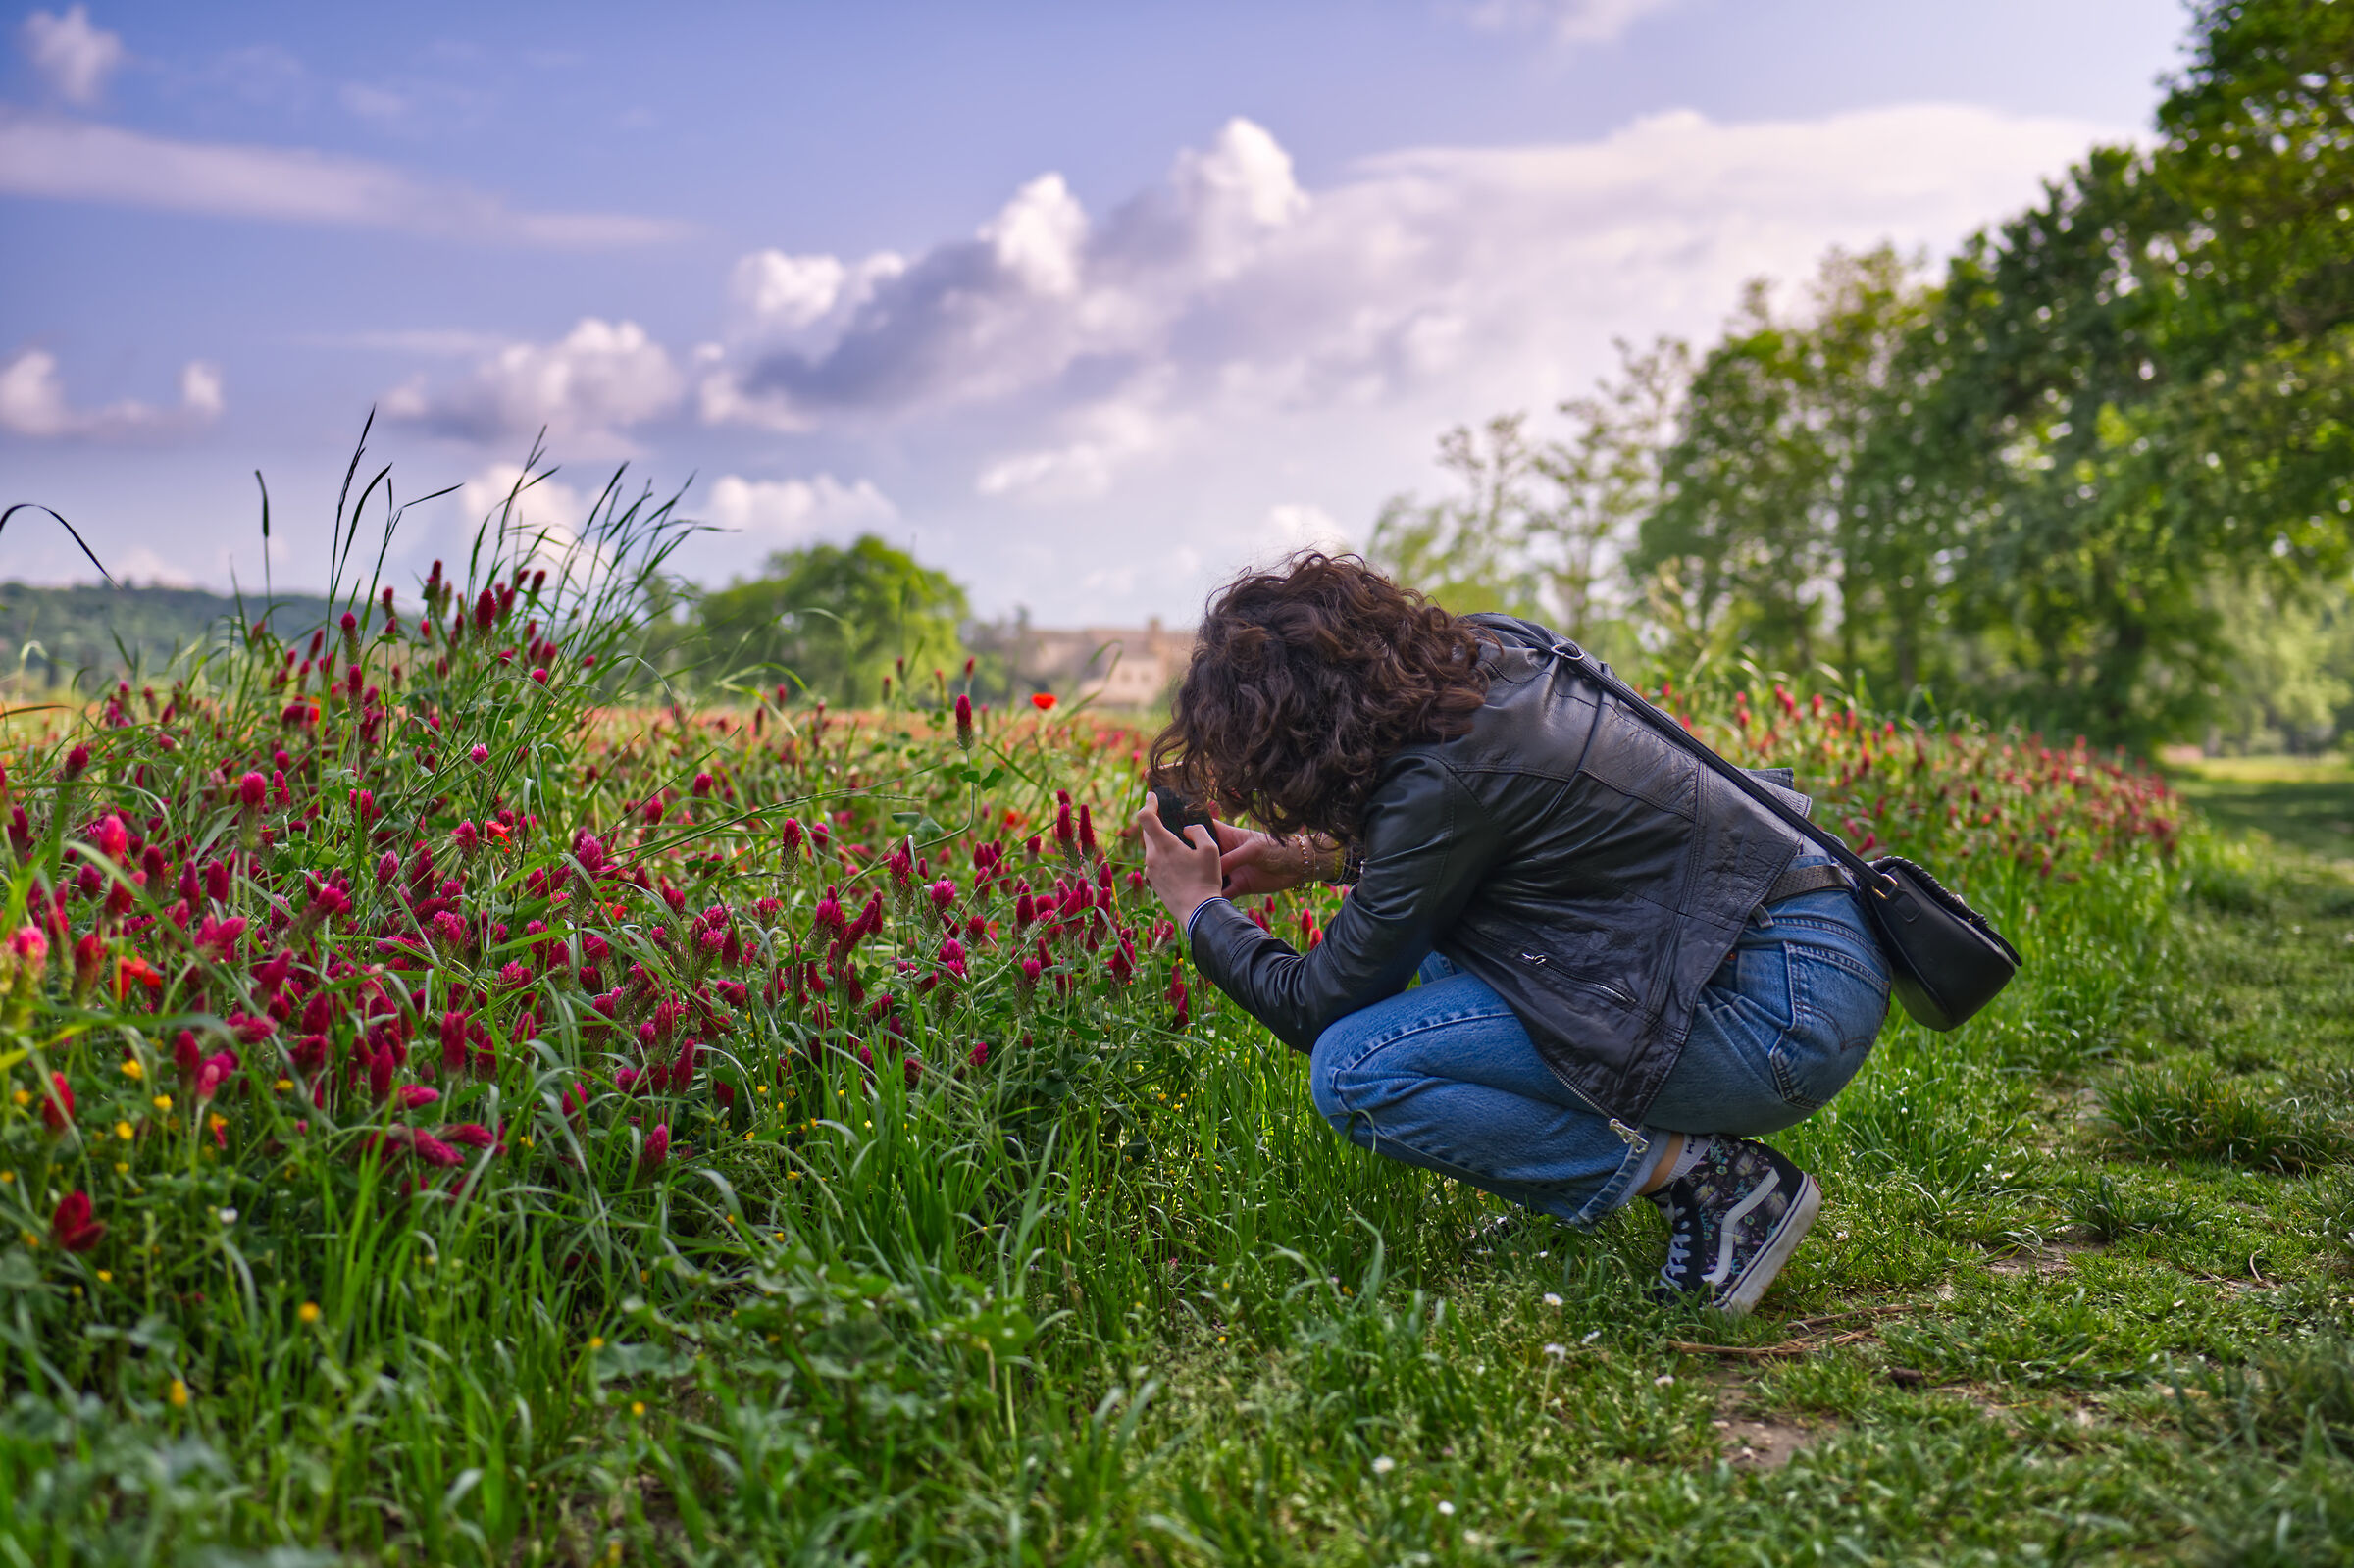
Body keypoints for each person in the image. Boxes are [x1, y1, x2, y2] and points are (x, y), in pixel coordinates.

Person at [1133, 554, 1891, 1316]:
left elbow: (1315, 1007)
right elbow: (1496, 829)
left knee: (1354, 1069)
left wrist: (1200, 910)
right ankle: (1602, 1174)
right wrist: (1303, 856)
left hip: (1774, 1015)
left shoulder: (1439, 784)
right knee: (1431, 932)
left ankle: (1717, 1184)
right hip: (1805, 940)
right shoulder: (1491, 656)